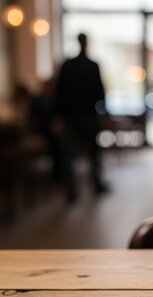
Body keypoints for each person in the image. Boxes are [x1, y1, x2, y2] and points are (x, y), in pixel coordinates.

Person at [55, 33, 107, 203]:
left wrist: (59, 115)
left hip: (70, 116)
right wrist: (103, 112)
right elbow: (100, 93)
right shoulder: (92, 66)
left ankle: (71, 191)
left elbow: (59, 93)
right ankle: (96, 184)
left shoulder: (67, 66)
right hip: (88, 116)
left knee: (69, 155)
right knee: (93, 153)